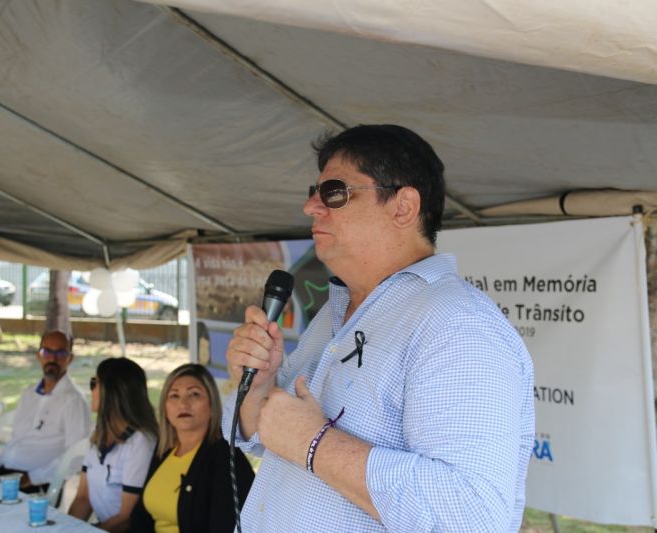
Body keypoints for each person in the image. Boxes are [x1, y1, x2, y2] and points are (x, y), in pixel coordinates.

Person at [224, 124, 535, 532]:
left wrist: (314, 444)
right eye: (313, 192)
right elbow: (271, 434)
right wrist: (259, 390)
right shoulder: (337, 311)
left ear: (403, 207)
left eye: (334, 192)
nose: (312, 207)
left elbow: (472, 516)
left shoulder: (458, 325)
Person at [130, 363, 254, 533]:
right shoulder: (164, 449)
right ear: (165, 408)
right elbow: (140, 519)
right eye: (174, 396)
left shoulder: (224, 457)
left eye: (194, 394)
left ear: (212, 404)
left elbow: (225, 525)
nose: (183, 404)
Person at [0, 329, 91, 493]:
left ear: (70, 358)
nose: (52, 358)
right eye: (47, 352)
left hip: (38, 484)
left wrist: (31, 478)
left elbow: (76, 457)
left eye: (60, 353)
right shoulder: (29, 393)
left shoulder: (73, 401)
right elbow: (17, 439)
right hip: (7, 472)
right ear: (39, 355)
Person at [68, 357, 158, 531]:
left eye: (95, 383)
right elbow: (83, 498)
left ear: (112, 391)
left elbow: (126, 519)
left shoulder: (141, 442)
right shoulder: (98, 433)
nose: (91, 389)